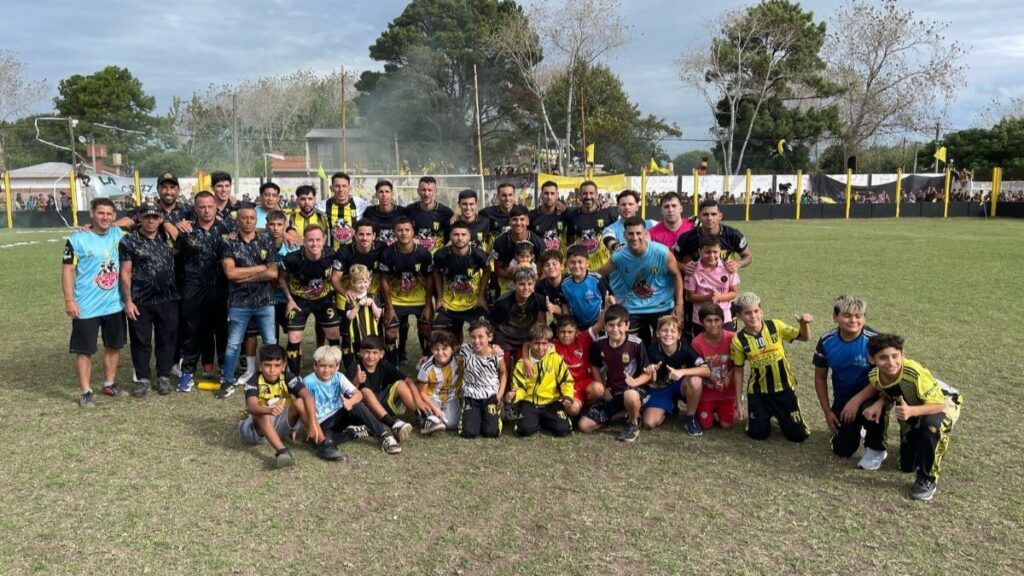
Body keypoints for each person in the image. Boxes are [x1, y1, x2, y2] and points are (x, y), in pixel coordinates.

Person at [851, 334, 962, 501]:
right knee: (906, 466)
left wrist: (911, 412)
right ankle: (920, 443)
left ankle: (927, 479)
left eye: (895, 356)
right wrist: (879, 403)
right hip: (912, 404)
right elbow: (892, 391)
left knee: (930, 428)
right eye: (883, 358)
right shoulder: (875, 376)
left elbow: (939, 405)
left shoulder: (913, 372)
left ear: (902, 354)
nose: (890, 362)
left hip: (944, 401)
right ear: (872, 359)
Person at [62, 198, 128, 407]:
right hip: (86, 306)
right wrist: (69, 300)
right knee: (85, 350)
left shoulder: (119, 235)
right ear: (91, 213)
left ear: (114, 215)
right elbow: (67, 271)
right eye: (101, 213)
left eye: (109, 214)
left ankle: (109, 383)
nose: (105, 217)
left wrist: (116, 224)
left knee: (114, 346)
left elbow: (139, 219)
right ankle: (86, 391)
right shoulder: (76, 239)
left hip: (114, 304)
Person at [811, 296, 886, 469]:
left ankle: (875, 448)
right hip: (843, 398)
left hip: (873, 395)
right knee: (841, 449)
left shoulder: (875, 341)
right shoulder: (827, 341)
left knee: (870, 409)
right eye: (847, 315)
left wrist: (856, 401)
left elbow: (885, 378)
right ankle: (856, 427)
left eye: (858, 316)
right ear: (835, 317)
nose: (853, 320)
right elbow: (820, 378)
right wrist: (828, 411)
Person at [730, 292, 812, 442]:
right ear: (740, 316)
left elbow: (805, 337)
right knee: (758, 435)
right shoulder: (738, 340)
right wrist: (739, 402)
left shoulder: (776, 326)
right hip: (758, 392)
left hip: (784, 388)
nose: (753, 316)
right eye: (747, 313)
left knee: (798, 436)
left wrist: (804, 324)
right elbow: (738, 370)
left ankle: (781, 414)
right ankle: (764, 414)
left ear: (762, 312)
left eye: (756, 311)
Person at [216, 205, 280, 399]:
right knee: (233, 344)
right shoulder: (228, 243)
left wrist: (243, 276)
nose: (249, 221)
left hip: (265, 301)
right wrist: (259, 268)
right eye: (245, 218)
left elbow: (273, 272)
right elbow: (230, 273)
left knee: (270, 342)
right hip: (239, 302)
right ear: (238, 220)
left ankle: (273, 378)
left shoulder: (265, 241)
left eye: (252, 218)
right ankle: (227, 380)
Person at [118, 202, 180, 397]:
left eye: (155, 217)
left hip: (168, 298)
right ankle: (143, 378)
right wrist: (128, 300)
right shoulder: (129, 241)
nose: (151, 220)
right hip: (141, 300)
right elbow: (125, 272)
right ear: (139, 218)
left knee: (167, 339)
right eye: (146, 217)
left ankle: (163, 376)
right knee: (140, 340)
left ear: (160, 219)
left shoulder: (169, 236)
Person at [176, 191, 232, 392]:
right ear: (195, 208)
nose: (206, 210)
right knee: (192, 331)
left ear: (216, 206)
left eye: (210, 206)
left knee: (223, 330)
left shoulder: (227, 228)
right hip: (194, 287)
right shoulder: (186, 230)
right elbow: (175, 258)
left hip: (221, 286)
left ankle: (226, 370)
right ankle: (187, 373)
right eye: (202, 206)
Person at [597, 216, 684, 344]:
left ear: (645, 233)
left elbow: (676, 275)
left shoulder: (662, 252)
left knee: (665, 343)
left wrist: (679, 304)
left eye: (638, 233)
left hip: (662, 304)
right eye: (630, 233)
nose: (635, 237)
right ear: (624, 235)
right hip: (634, 307)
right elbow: (599, 274)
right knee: (633, 345)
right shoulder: (619, 256)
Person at [576, 305, 652, 442]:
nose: (615, 329)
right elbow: (595, 366)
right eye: (611, 325)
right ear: (605, 326)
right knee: (584, 426)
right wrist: (603, 387)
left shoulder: (636, 344)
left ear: (627, 325)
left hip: (634, 390)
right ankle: (625, 414)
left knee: (630, 395)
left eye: (619, 325)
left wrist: (635, 382)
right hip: (613, 392)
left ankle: (633, 423)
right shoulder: (599, 344)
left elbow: (647, 374)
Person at [239, 344, 320, 468]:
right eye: (267, 365)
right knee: (262, 412)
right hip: (255, 432)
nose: (272, 370)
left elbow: (308, 397)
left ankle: (322, 442)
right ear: (260, 365)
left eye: (277, 366)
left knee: (300, 401)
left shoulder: (288, 377)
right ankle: (282, 452)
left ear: (283, 366)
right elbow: (252, 407)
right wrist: (269, 410)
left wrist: (313, 424)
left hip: (277, 427)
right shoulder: (253, 381)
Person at [279, 225, 340, 375]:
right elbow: (281, 278)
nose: (315, 244)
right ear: (303, 241)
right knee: (294, 336)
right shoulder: (292, 259)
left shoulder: (332, 254)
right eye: (310, 240)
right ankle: (294, 376)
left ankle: (334, 371)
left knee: (334, 335)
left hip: (324, 299)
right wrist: (289, 299)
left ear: (324, 240)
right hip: (299, 300)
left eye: (318, 240)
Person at [344, 336, 422, 442]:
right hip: (363, 411)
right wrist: (356, 381)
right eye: (367, 352)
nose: (370, 356)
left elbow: (408, 380)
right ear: (361, 352)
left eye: (375, 352)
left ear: (382, 354)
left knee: (401, 384)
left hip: (380, 406)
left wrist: (419, 401)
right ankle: (393, 424)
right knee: (365, 391)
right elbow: (346, 395)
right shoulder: (354, 367)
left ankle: (423, 417)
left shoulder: (383, 365)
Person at [379, 217, 434, 364]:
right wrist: (389, 307)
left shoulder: (423, 253)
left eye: (407, 230)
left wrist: (428, 306)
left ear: (413, 232)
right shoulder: (388, 253)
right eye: (400, 230)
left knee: (427, 330)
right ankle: (392, 365)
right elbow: (383, 279)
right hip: (396, 300)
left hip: (419, 300)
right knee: (391, 331)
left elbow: (430, 279)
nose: (404, 233)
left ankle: (428, 363)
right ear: (394, 233)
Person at [642, 315, 710, 434]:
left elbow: (706, 370)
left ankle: (690, 418)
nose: (668, 334)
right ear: (657, 333)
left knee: (695, 380)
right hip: (661, 388)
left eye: (673, 331)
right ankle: (671, 407)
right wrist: (651, 372)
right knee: (649, 422)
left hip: (681, 386)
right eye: (664, 330)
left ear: (679, 335)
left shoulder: (685, 348)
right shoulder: (651, 350)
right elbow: (649, 379)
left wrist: (681, 372)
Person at [511, 324, 577, 437]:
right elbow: (518, 386)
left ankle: (543, 419)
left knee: (563, 430)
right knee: (524, 430)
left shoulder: (556, 360)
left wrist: (567, 396)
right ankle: (534, 419)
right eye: (536, 343)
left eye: (544, 343)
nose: (540, 347)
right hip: (529, 402)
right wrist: (514, 394)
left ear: (549, 344)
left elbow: (566, 381)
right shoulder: (522, 363)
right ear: (530, 343)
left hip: (551, 402)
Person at [432, 221, 491, 339]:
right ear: (450, 236)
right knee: (440, 334)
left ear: (469, 236)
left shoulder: (479, 255)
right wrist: (439, 297)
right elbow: (436, 272)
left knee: (484, 333)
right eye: (456, 234)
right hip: (449, 305)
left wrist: (481, 296)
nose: (460, 238)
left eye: (463, 235)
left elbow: (487, 270)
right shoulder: (441, 255)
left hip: (474, 304)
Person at [690, 303, 740, 431]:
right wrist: (714, 380)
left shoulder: (732, 338)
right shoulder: (697, 342)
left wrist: (729, 376)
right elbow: (699, 367)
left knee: (726, 426)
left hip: (727, 390)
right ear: (701, 322)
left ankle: (727, 406)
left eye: (717, 320)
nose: (713, 324)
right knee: (706, 425)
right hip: (708, 390)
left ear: (723, 320)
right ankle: (705, 408)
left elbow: (739, 363)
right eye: (709, 321)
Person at [457, 319, 507, 439]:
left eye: (481, 337)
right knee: (469, 432)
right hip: (471, 394)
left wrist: (499, 395)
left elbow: (504, 373)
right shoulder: (465, 350)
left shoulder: (496, 353)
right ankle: (472, 416)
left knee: (491, 432)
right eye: (473, 337)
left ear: (489, 337)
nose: (476, 341)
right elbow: (454, 363)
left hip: (490, 395)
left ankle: (495, 415)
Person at [674, 199, 752, 274]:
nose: (709, 218)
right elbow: (673, 260)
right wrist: (683, 267)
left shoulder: (733, 235)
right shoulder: (686, 238)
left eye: (713, 214)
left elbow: (748, 256)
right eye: (705, 214)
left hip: (725, 284)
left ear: (720, 216)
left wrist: (738, 264)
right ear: (699, 216)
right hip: (697, 285)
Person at [683, 235, 739, 338]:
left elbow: (735, 292)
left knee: (729, 347)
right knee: (703, 348)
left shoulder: (728, 268)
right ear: (700, 252)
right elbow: (689, 297)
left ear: (720, 251)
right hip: (701, 319)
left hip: (724, 317)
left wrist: (719, 297)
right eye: (707, 252)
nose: (711, 255)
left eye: (715, 252)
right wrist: (708, 297)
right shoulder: (692, 270)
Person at [489, 268, 546, 364]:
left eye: (529, 284)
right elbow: (492, 324)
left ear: (534, 284)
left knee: (522, 364)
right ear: (514, 285)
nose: (526, 288)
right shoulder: (504, 303)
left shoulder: (538, 300)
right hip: (504, 338)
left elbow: (543, 320)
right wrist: (493, 344)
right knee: (503, 363)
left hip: (524, 338)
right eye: (522, 284)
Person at [416, 330, 463, 434]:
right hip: (431, 397)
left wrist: (494, 347)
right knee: (435, 418)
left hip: (451, 397)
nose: (440, 353)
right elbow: (422, 392)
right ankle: (425, 418)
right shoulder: (427, 368)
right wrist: (434, 409)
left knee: (451, 424)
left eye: (444, 348)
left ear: (452, 348)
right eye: (436, 349)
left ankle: (436, 418)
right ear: (431, 349)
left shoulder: (459, 360)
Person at [565, 180, 617, 271]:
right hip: (583, 270)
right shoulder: (572, 216)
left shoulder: (608, 213)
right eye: (584, 193)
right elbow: (570, 241)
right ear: (580, 195)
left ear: (597, 195)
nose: (588, 197)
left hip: (605, 268)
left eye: (591, 193)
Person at [491, 205, 544, 294]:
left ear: (527, 221)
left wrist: (533, 284)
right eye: (515, 219)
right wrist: (514, 275)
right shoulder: (500, 242)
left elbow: (543, 270)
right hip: (507, 288)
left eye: (522, 219)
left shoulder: (538, 242)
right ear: (509, 221)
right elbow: (497, 270)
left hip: (531, 287)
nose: (518, 223)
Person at [560, 245, 612, 330]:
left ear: (587, 263)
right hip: (578, 327)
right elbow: (564, 302)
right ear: (567, 264)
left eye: (580, 262)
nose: (576, 266)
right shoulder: (565, 285)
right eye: (572, 262)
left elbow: (610, 298)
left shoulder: (597, 279)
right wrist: (568, 321)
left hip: (599, 325)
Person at [341, 264, 383, 367]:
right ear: (353, 283)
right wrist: (358, 304)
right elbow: (350, 316)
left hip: (371, 335)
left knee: (372, 357)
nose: (362, 285)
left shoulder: (373, 297)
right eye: (359, 282)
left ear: (369, 282)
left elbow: (378, 315)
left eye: (365, 282)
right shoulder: (350, 299)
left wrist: (372, 303)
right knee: (359, 359)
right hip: (356, 336)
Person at [404, 176, 453, 253]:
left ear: (435, 191)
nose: (426, 194)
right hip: (415, 255)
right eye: (423, 190)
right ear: (418, 191)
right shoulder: (409, 210)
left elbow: (454, 234)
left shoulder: (446, 213)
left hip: (437, 257)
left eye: (430, 190)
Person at [322, 171, 368, 250]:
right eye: (337, 186)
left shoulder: (360, 204)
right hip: (332, 254)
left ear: (349, 188)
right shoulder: (322, 206)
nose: (341, 189)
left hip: (354, 253)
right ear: (331, 188)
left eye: (344, 186)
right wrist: (292, 228)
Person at [362, 180, 406, 246]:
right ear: (376, 195)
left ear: (392, 194)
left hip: (396, 251)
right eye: (381, 192)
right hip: (376, 251)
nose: (384, 195)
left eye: (387, 192)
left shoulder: (402, 211)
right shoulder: (369, 212)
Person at [529, 180, 567, 254]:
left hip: (559, 262)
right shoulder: (532, 216)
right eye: (546, 193)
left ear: (557, 195)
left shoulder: (565, 214)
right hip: (541, 262)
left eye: (552, 193)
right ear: (541, 195)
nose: (549, 197)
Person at [534, 250, 567, 317]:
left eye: (554, 264)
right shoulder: (540, 287)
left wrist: (556, 309)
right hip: (558, 322)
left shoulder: (570, 282)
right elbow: (541, 313)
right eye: (547, 265)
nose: (551, 267)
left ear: (562, 266)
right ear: (542, 269)